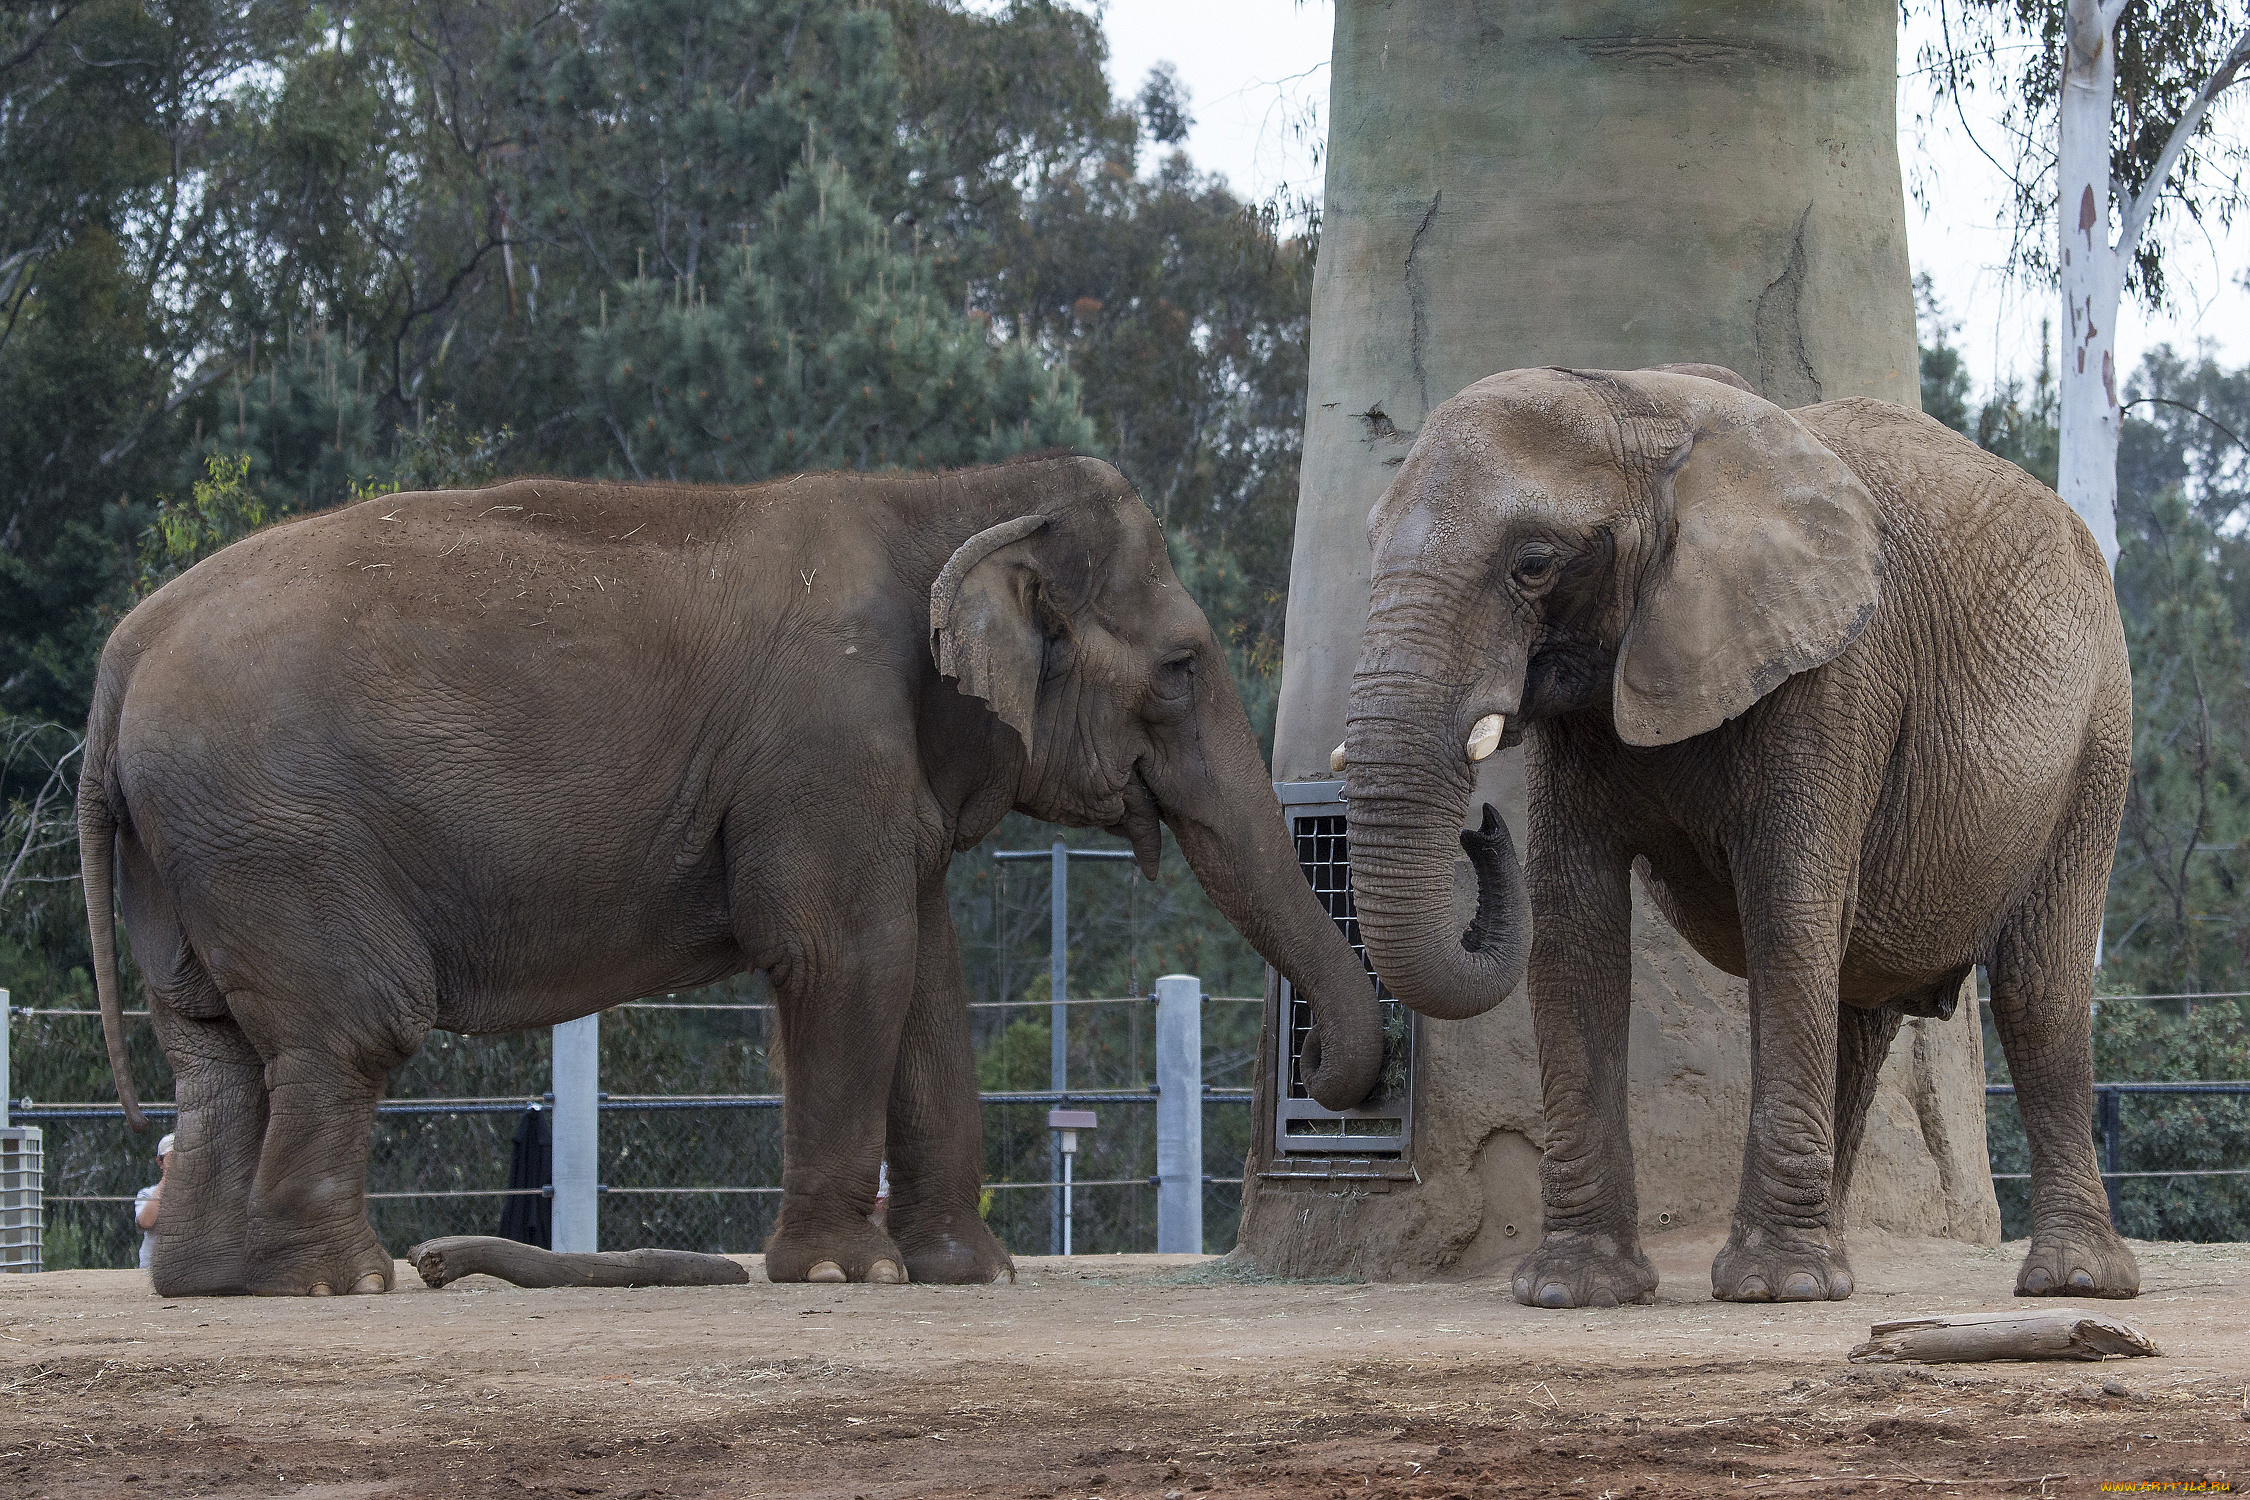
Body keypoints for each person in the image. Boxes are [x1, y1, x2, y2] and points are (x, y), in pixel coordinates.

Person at [135, 1133, 173, 1271]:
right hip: (152, 1268)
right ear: (160, 1162)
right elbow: (146, 1222)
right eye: (173, 1157)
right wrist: (169, 1175)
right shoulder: (147, 1193)